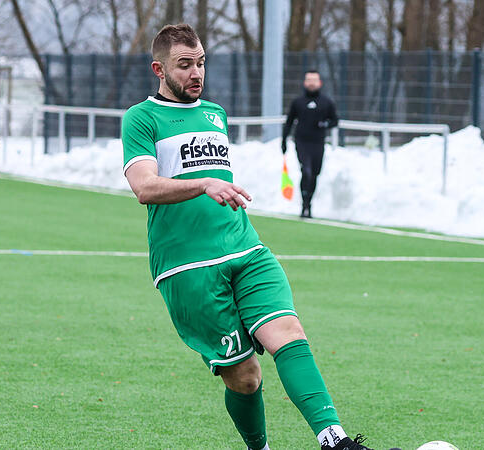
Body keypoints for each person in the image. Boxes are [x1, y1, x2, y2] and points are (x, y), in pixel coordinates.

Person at [122, 24, 394, 450]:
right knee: (246, 378)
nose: (196, 73)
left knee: (288, 330)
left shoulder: (215, 114)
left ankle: (336, 441)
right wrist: (203, 183)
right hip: (187, 266)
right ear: (159, 68)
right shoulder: (141, 118)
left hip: (245, 248)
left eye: (201, 63)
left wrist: (213, 186)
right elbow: (144, 187)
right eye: (185, 65)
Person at [282, 70, 338, 218]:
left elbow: (335, 120)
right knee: (305, 171)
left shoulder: (326, 102)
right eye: (309, 80)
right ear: (304, 83)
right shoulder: (298, 102)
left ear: (320, 83)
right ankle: (304, 205)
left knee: (314, 174)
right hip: (301, 142)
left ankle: (309, 203)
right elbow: (289, 122)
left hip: (318, 143)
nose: (311, 83)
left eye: (314, 80)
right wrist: (284, 141)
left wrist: (325, 124)